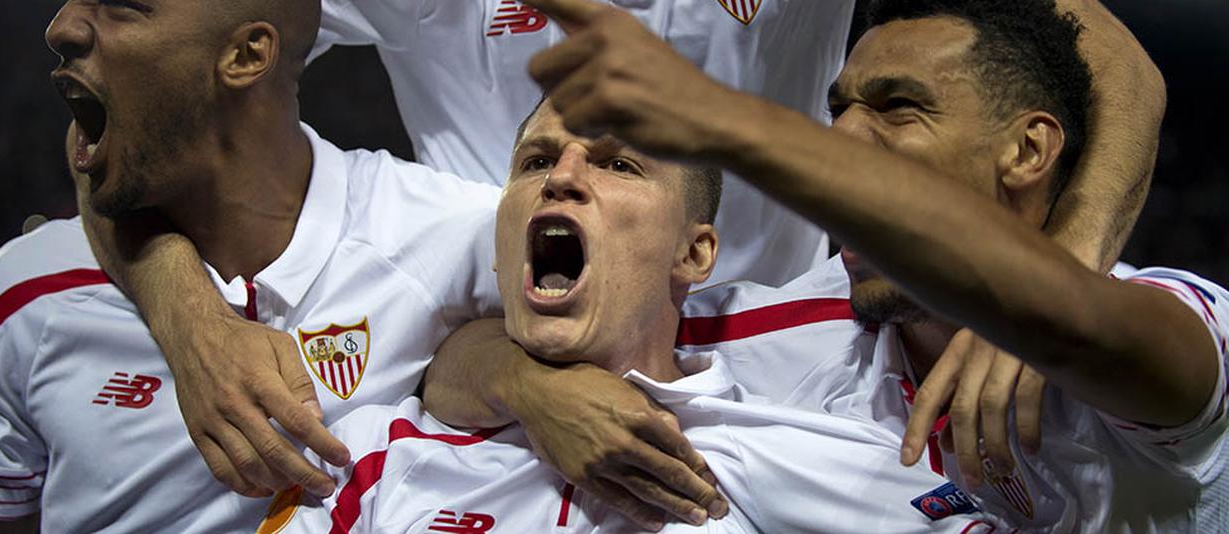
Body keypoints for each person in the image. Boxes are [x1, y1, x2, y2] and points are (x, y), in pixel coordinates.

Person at [93, 0, 1169, 499]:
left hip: (816, 369)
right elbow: (119, 106)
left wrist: (1049, 300)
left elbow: (1112, 67)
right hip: (495, 375)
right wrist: (190, 321)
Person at [474, 0, 1229, 530]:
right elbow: (487, 344)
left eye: (897, 109)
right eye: (836, 110)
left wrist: (722, 121)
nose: (845, 137)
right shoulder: (800, 324)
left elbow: (1086, 322)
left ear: (1027, 151)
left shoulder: (1170, 324)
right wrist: (531, 383)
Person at [0, 0, 505, 531]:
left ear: (246, 56)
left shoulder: (456, 234)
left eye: (118, 2)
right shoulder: (27, 288)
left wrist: (524, 379)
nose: (61, 27)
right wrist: (192, 325)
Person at [264, 100, 1010, 533]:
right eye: (535, 162)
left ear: (694, 254)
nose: (562, 177)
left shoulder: (818, 460)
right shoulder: (368, 457)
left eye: (618, 165)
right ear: (498, 254)